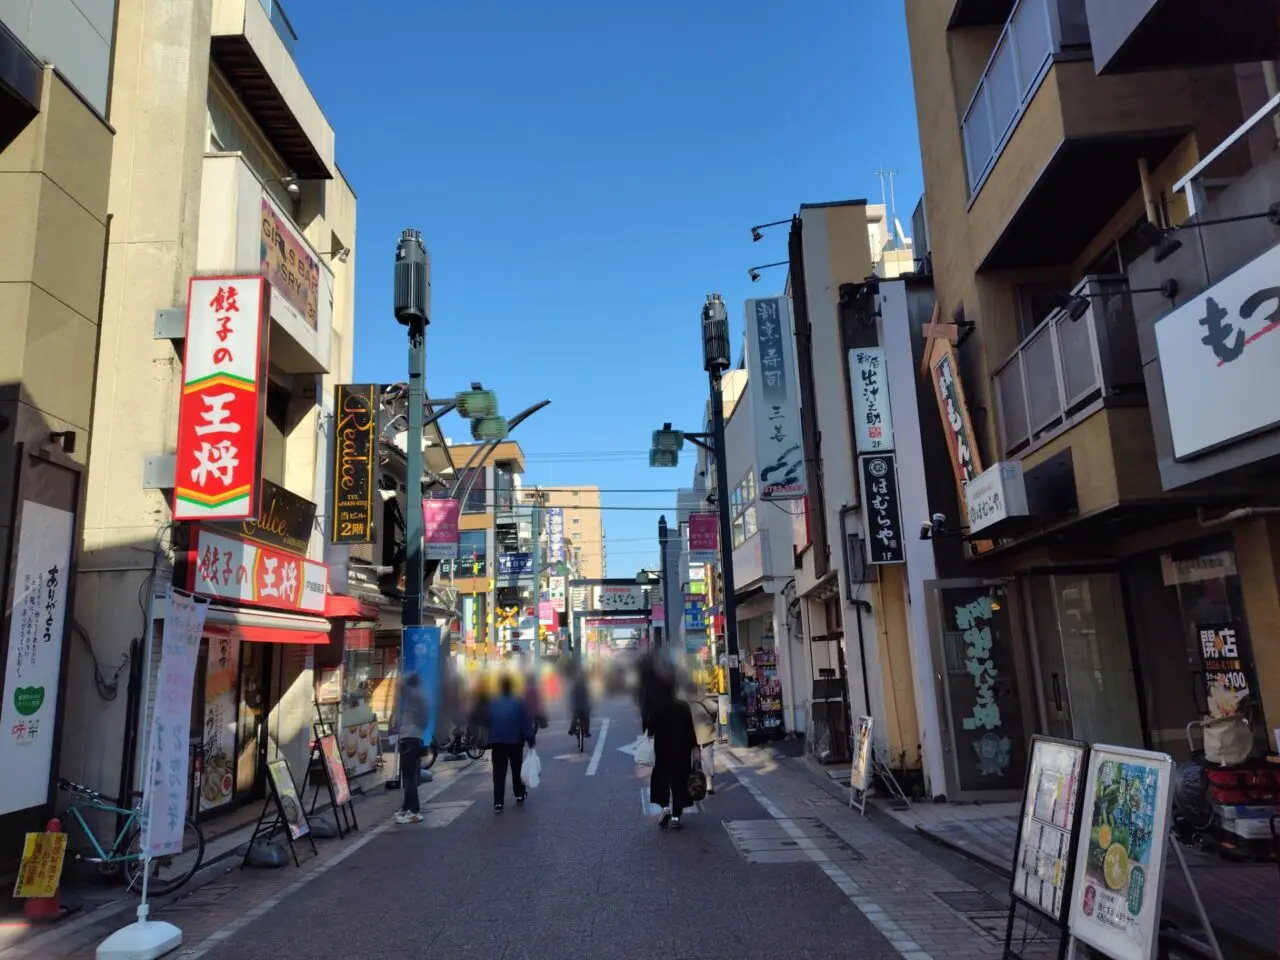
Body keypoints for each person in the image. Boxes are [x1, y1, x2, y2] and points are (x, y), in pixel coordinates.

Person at [648, 671, 697, 829]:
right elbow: (690, 729)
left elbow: (651, 729)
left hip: (663, 749)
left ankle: (665, 807)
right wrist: (695, 748)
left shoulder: (657, 706)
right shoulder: (683, 706)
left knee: (662, 778)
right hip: (681, 750)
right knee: (680, 780)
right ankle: (676, 815)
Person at [486, 673, 535, 812]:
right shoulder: (519, 702)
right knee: (516, 769)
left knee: (498, 772)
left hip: (497, 741)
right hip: (515, 741)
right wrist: (531, 739)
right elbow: (525, 722)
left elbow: (487, 721)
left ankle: (498, 802)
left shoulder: (493, 702)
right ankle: (519, 794)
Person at [393, 671, 428, 824]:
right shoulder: (423, 697)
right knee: (411, 776)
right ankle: (407, 807)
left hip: (408, 738)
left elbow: (399, 684)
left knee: (408, 777)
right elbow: (425, 722)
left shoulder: (413, 695)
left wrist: (403, 674)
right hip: (417, 737)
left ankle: (414, 811)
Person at [684, 676, 718, 796]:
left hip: (689, 733)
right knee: (707, 755)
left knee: (693, 757)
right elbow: (714, 708)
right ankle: (708, 783)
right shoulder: (701, 698)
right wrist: (711, 720)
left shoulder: (683, 701)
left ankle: (693, 782)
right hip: (705, 731)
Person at [568, 663, 592, 738]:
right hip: (584, 706)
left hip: (577, 706)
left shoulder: (575, 683)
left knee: (575, 716)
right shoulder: (585, 684)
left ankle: (572, 729)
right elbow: (589, 695)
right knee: (587, 718)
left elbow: (571, 695)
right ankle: (586, 732)